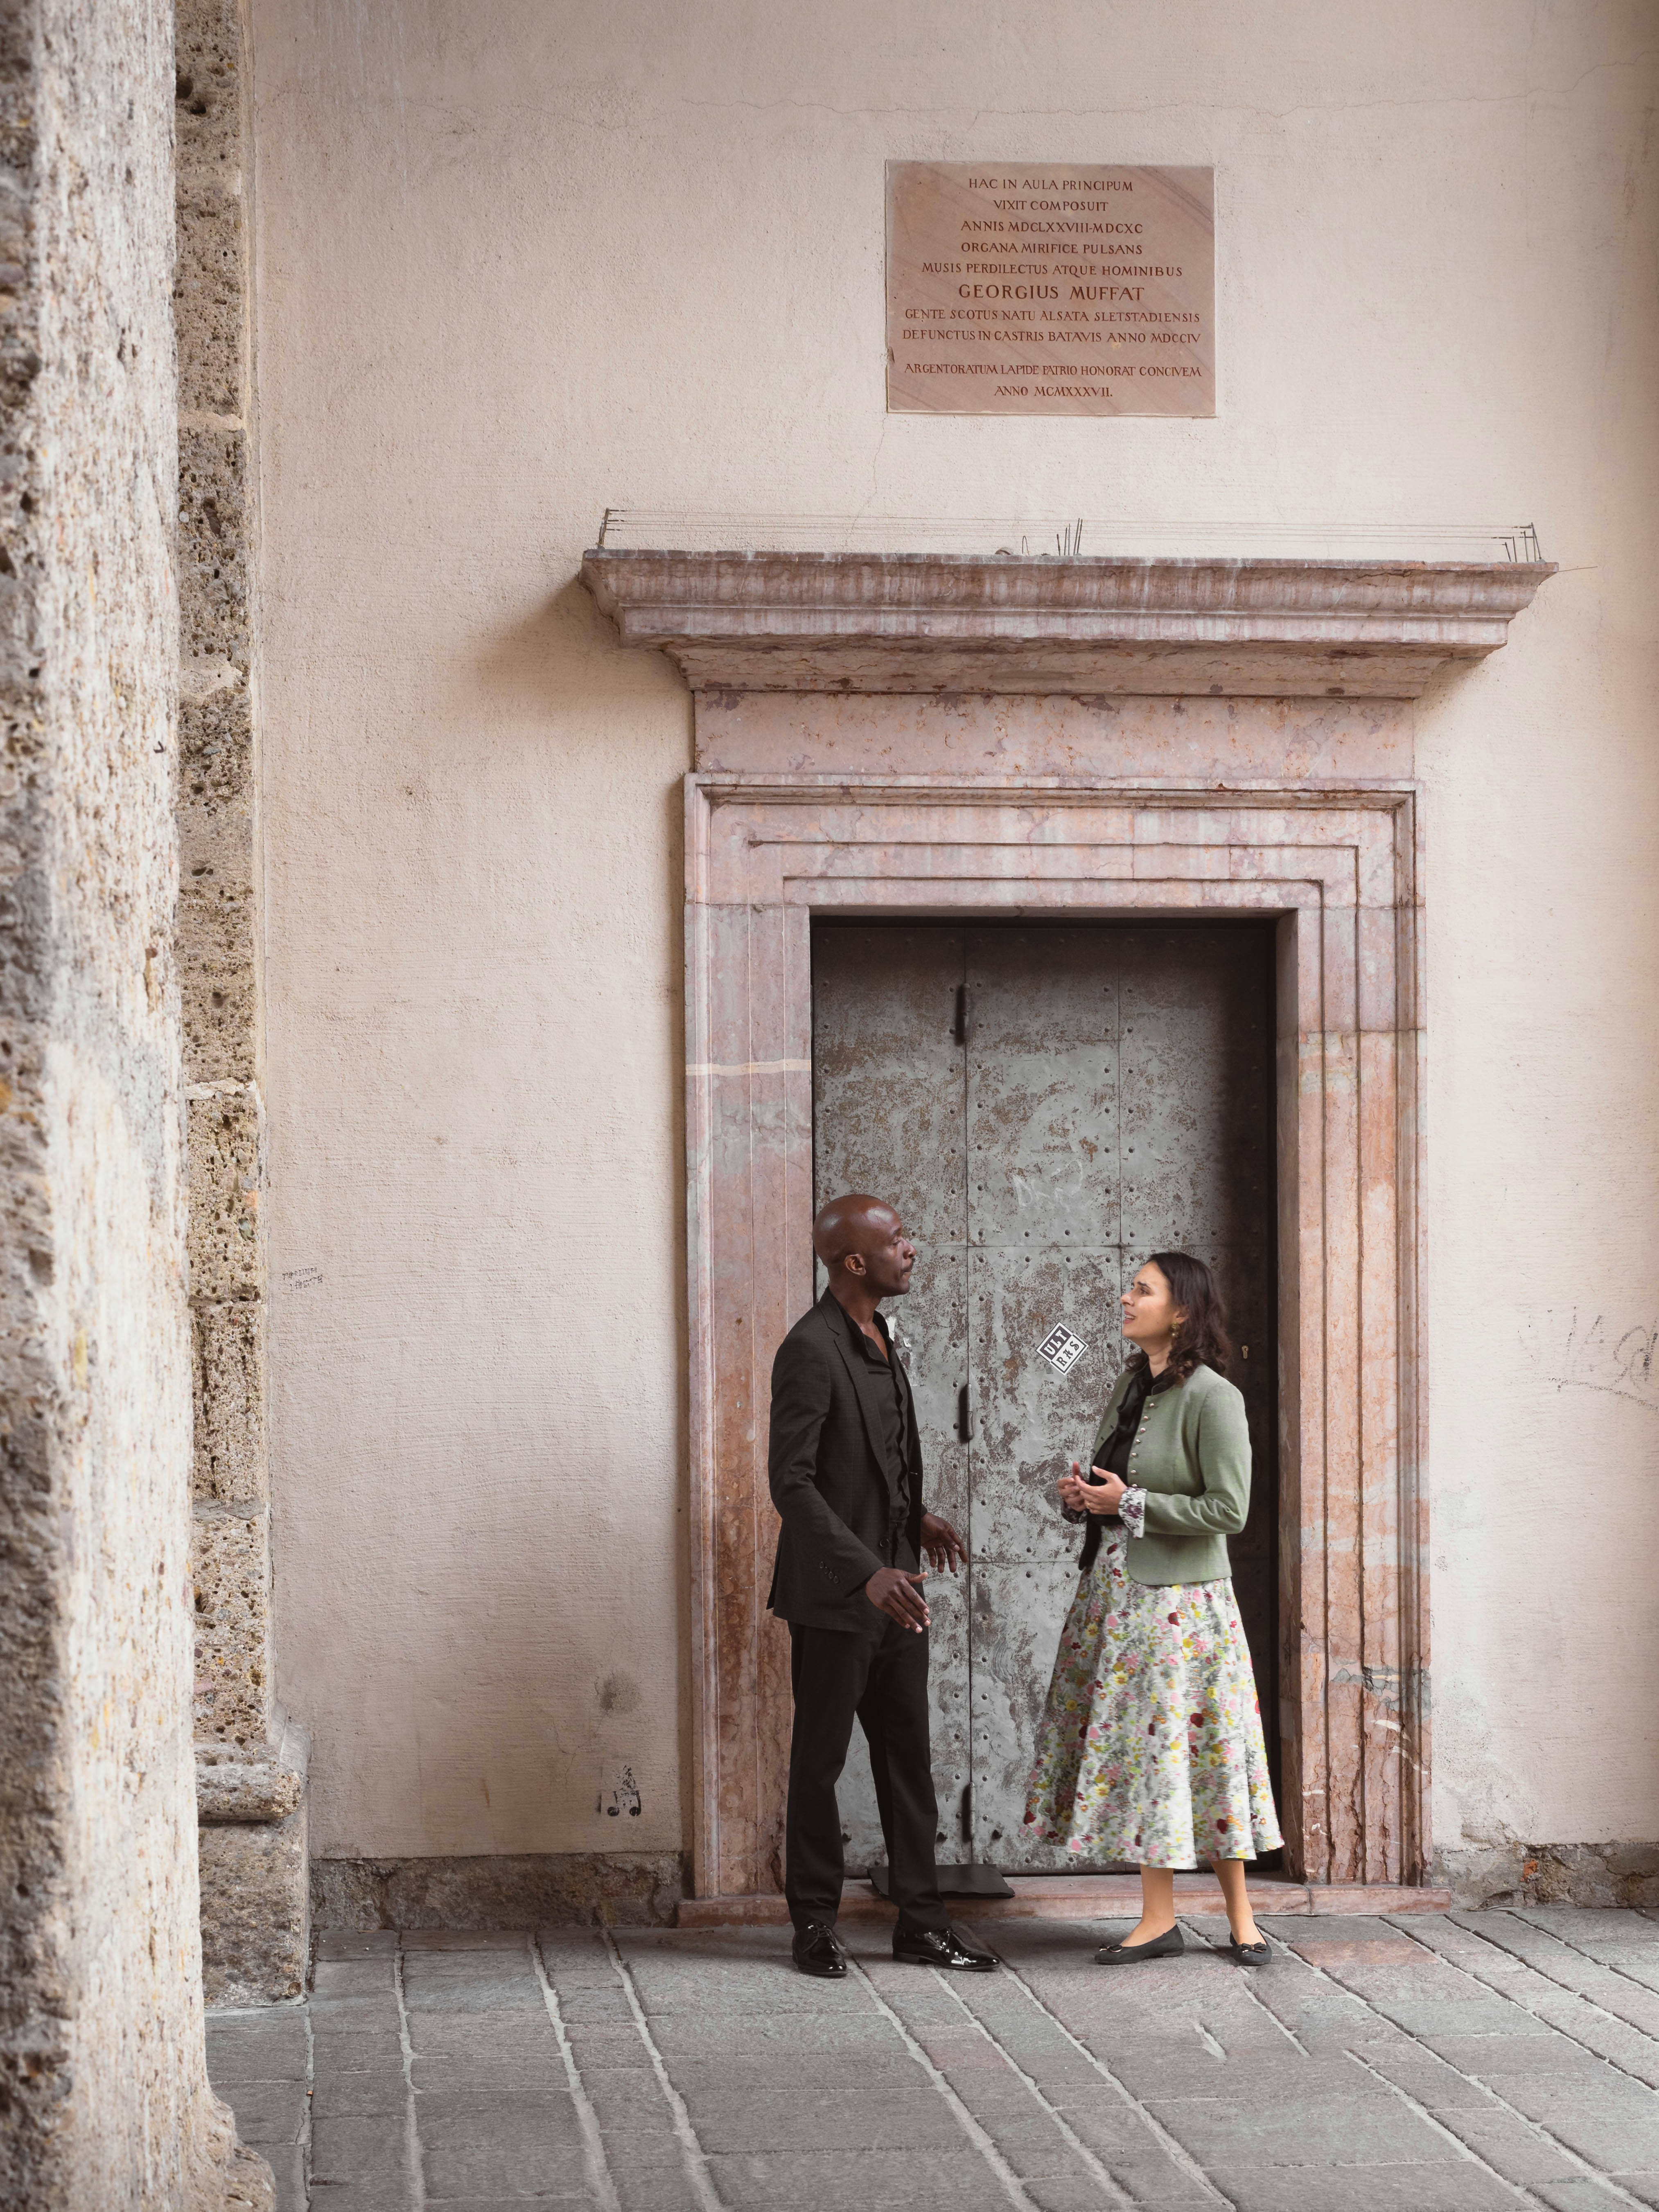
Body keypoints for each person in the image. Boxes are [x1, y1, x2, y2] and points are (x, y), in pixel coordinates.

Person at [1023, 1251, 1282, 1966]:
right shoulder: (1130, 1384)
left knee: (1204, 1752)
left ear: (1182, 1311)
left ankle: (1241, 1917)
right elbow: (1117, 1481)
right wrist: (1087, 1498)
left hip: (1183, 1611)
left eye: (1141, 1290)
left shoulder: (1212, 1397)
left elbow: (1229, 1510)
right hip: (1120, 1600)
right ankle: (1158, 1917)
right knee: (1148, 1756)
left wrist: (1127, 1503)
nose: (1124, 1298)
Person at [767, 1192, 996, 1979]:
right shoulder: (810, 1347)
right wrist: (865, 1572)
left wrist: (917, 1517)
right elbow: (792, 1485)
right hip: (839, 1598)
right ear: (855, 1263)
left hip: (899, 1590)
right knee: (820, 1765)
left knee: (908, 1763)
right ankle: (814, 1926)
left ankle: (920, 1924)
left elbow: (871, 1458)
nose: (912, 1248)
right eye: (897, 1240)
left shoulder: (879, 1335)